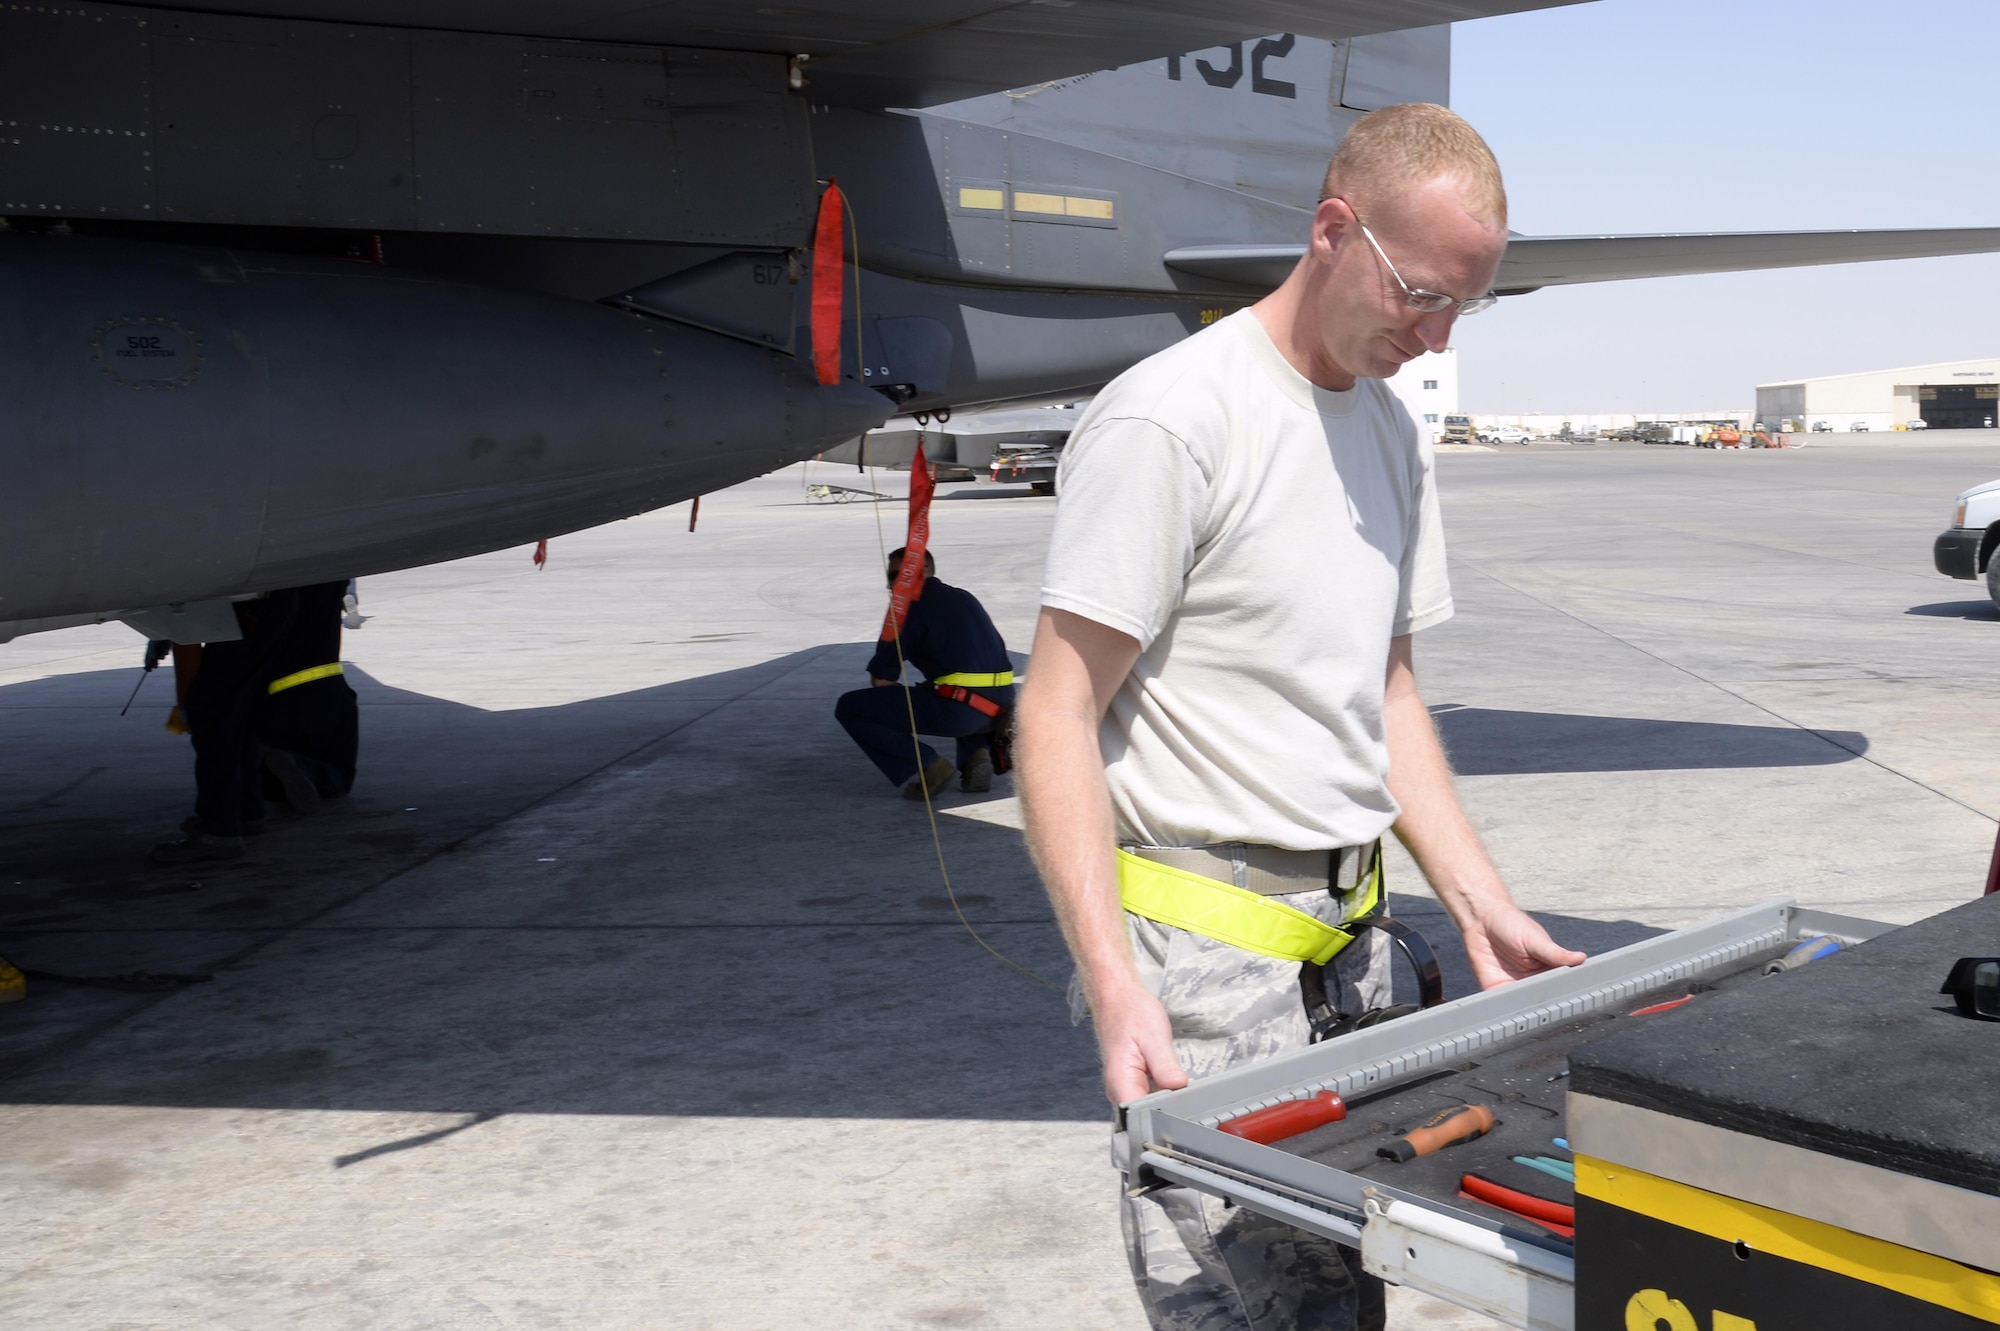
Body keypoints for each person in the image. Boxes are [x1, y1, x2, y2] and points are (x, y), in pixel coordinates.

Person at [1015, 104, 1588, 1331]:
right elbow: (1055, 711)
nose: (1431, 337)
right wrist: (1112, 981)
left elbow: (1383, 693)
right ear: (1332, 229)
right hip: (1205, 960)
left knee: (1348, 1292)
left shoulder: (1384, 426)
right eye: (1418, 295)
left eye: (1459, 310)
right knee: (1246, 1306)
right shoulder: (1175, 419)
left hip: (1353, 939)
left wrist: (1486, 908)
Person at [835, 547, 1014, 800]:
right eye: (894, 575)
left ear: (928, 571)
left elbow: (881, 679)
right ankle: (977, 755)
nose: (897, 581)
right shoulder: (964, 597)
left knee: (850, 707)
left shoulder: (907, 608)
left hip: (962, 711)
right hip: (1001, 709)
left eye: (904, 573)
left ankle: (929, 765)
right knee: (948, 686)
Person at [151, 589, 301, 865]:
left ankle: (218, 832)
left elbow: (186, 631)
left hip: (251, 614)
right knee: (240, 720)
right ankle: (246, 812)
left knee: (214, 723)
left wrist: (186, 706)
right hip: (273, 605)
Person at [258, 579, 360, 809]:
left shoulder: (272, 586)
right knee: (340, 778)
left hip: (277, 695)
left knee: (272, 776)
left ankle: (276, 764)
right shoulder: (325, 573)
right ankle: (297, 765)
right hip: (326, 686)